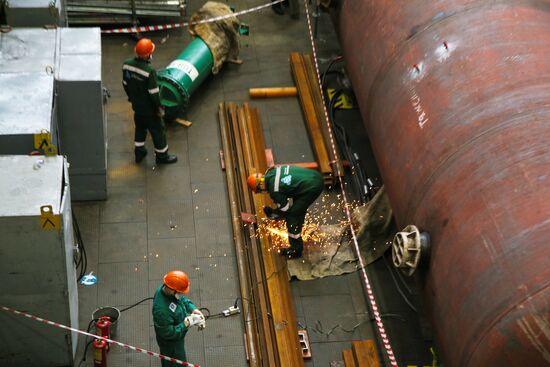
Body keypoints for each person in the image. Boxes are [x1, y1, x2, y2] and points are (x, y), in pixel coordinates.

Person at [247, 165, 324, 258]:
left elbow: (285, 209)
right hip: (314, 176)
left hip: (312, 187)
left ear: (260, 186)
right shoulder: (272, 172)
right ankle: (299, 226)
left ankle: (296, 250)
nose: (262, 193)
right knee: (297, 209)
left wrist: (274, 214)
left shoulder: (274, 190)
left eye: (259, 191)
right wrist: (275, 212)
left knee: (292, 216)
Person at [122, 38, 177, 164]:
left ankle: (139, 152)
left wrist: (132, 98)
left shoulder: (126, 64)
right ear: (148, 55)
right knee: (158, 131)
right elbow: (154, 93)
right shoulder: (149, 71)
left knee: (140, 128)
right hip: (149, 110)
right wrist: (159, 107)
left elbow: (125, 83)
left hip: (137, 107)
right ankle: (162, 156)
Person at [152, 270, 205, 366]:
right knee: (176, 362)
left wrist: (193, 309)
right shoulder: (162, 311)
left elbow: (181, 300)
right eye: (180, 292)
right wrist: (185, 325)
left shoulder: (166, 289)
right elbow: (167, 333)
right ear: (173, 290)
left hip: (177, 338)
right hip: (171, 344)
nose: (182, 294)